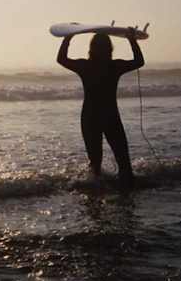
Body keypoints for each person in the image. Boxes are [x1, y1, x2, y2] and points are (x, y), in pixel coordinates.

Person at [56, 29, 144, 190]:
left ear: (91, 48)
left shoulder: (85, 66)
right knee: (123, 160)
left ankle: (94, 203)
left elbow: (61, 59)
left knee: (95, 162)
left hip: (89, 116)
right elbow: (139, 62)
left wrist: (68, 37)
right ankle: (127, 195)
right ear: (110, 49)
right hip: (110, 115)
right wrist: (132, 40)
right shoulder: (114, 66)